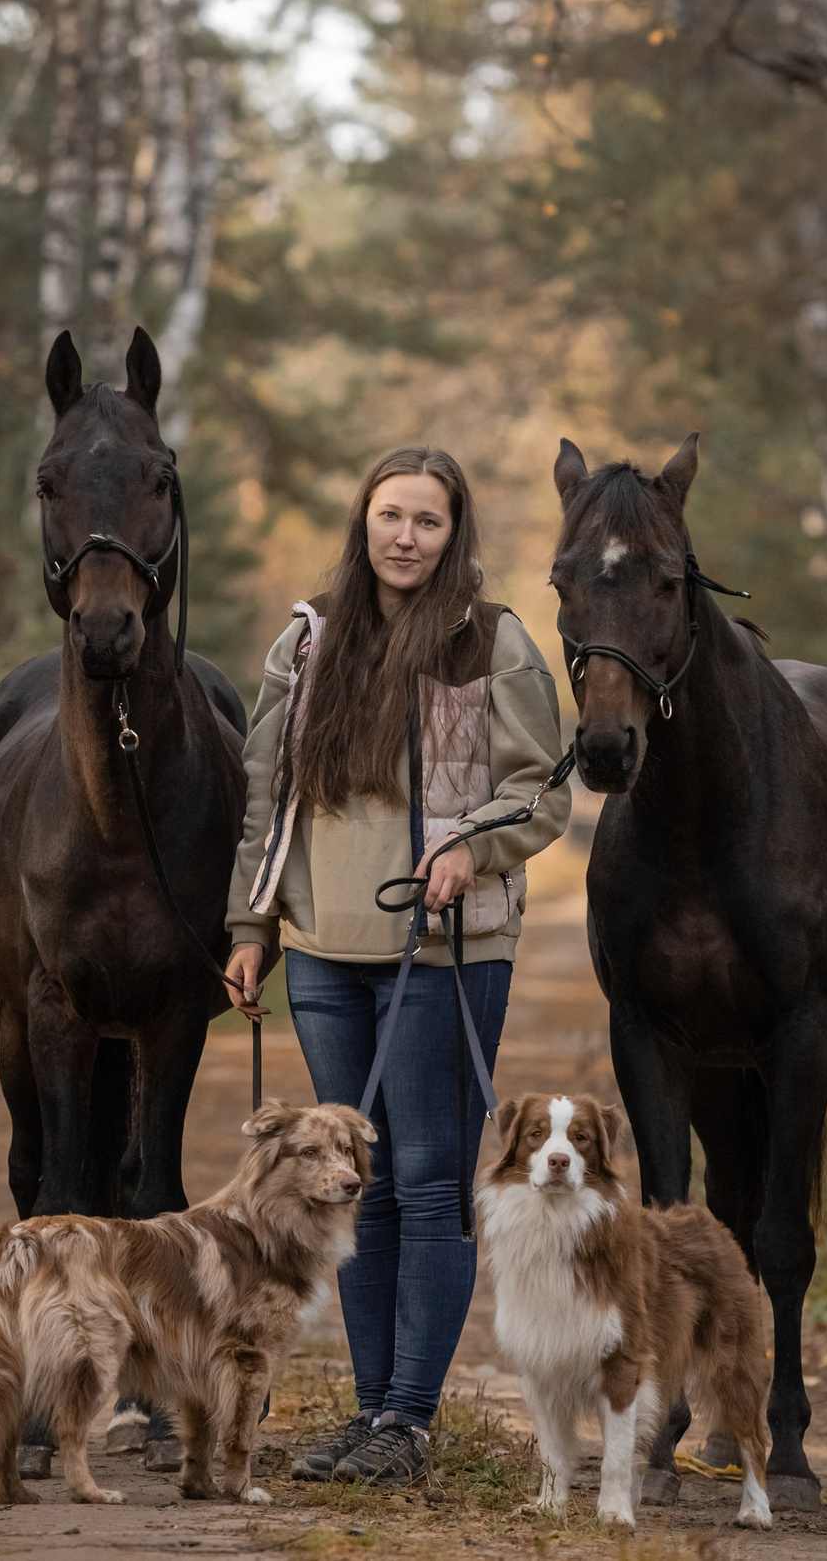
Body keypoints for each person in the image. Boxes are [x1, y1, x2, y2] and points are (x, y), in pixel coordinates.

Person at [223, 445, 571, 1486]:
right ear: (362, 522)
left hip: (445, 948)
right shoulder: (307, 639)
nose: (405, 536)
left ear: (452, 530)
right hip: (323, 949)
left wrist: (472, 846)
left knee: (425, 1184)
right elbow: (263, 794)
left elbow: (540, 788)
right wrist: (250, 925)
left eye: (426, 519)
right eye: (390, 516)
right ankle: (369, 1411)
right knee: (351, 1190)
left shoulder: (490, 640)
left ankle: (409, 1421)